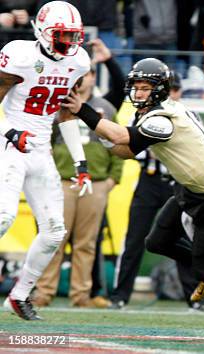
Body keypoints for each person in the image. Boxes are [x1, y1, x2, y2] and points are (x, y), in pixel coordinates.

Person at [61, 58, 204, 325]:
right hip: (190, 189)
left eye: (146, 87)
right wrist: (105, 134)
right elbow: (127, 151)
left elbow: (122, 139)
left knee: (203, 265)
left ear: (161, 88)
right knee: (157, 242)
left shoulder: (164, 118)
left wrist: (85, 111)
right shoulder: (154, 113)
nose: (139, 92)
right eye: (137, 87)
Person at [0, 1, 93, 320]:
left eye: (73, 36)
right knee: (3, 217)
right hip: (8, 144)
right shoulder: (20, 55)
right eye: (62, 35)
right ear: (41, 31)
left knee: (54, 230)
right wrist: (10, 132)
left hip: (40, 149)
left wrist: (81, 164)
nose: (69, 43)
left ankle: (19, 296)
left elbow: (67, 112)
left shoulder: (78, 61)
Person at [32, 64, 124, 309]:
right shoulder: (56, 106)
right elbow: (46, 142)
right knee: (54, 238)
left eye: (87, 75)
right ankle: (44, 292)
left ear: (94, 78)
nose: (83, 79)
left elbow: (117, 144)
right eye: (79, 75)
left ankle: (81, 294)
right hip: (62, 180)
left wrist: (112, 179)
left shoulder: (105, 108)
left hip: (96, 182)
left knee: (87, 242)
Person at [109, 71, 201, 311]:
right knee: (134, 237)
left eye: (175, 90)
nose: (171, 95)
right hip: (149, 180)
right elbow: (129, 146)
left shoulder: (187, 115)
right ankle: (120, 296)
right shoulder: (143, 115)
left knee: (183, 238)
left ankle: (194, 297)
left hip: (177, 182)